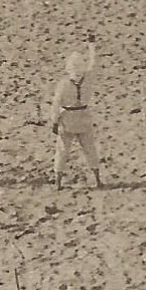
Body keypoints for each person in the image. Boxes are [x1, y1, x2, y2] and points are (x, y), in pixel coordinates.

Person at [51, 48, 102, 189]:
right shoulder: (88, 79)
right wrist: (92, 46)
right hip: (84, 118)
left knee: (62, 150)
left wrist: (54, 122)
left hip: (68, 119)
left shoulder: (63, 84)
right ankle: (98, 179)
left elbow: (56, 104)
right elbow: (94, 62)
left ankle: (58, 182)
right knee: (90, 149)